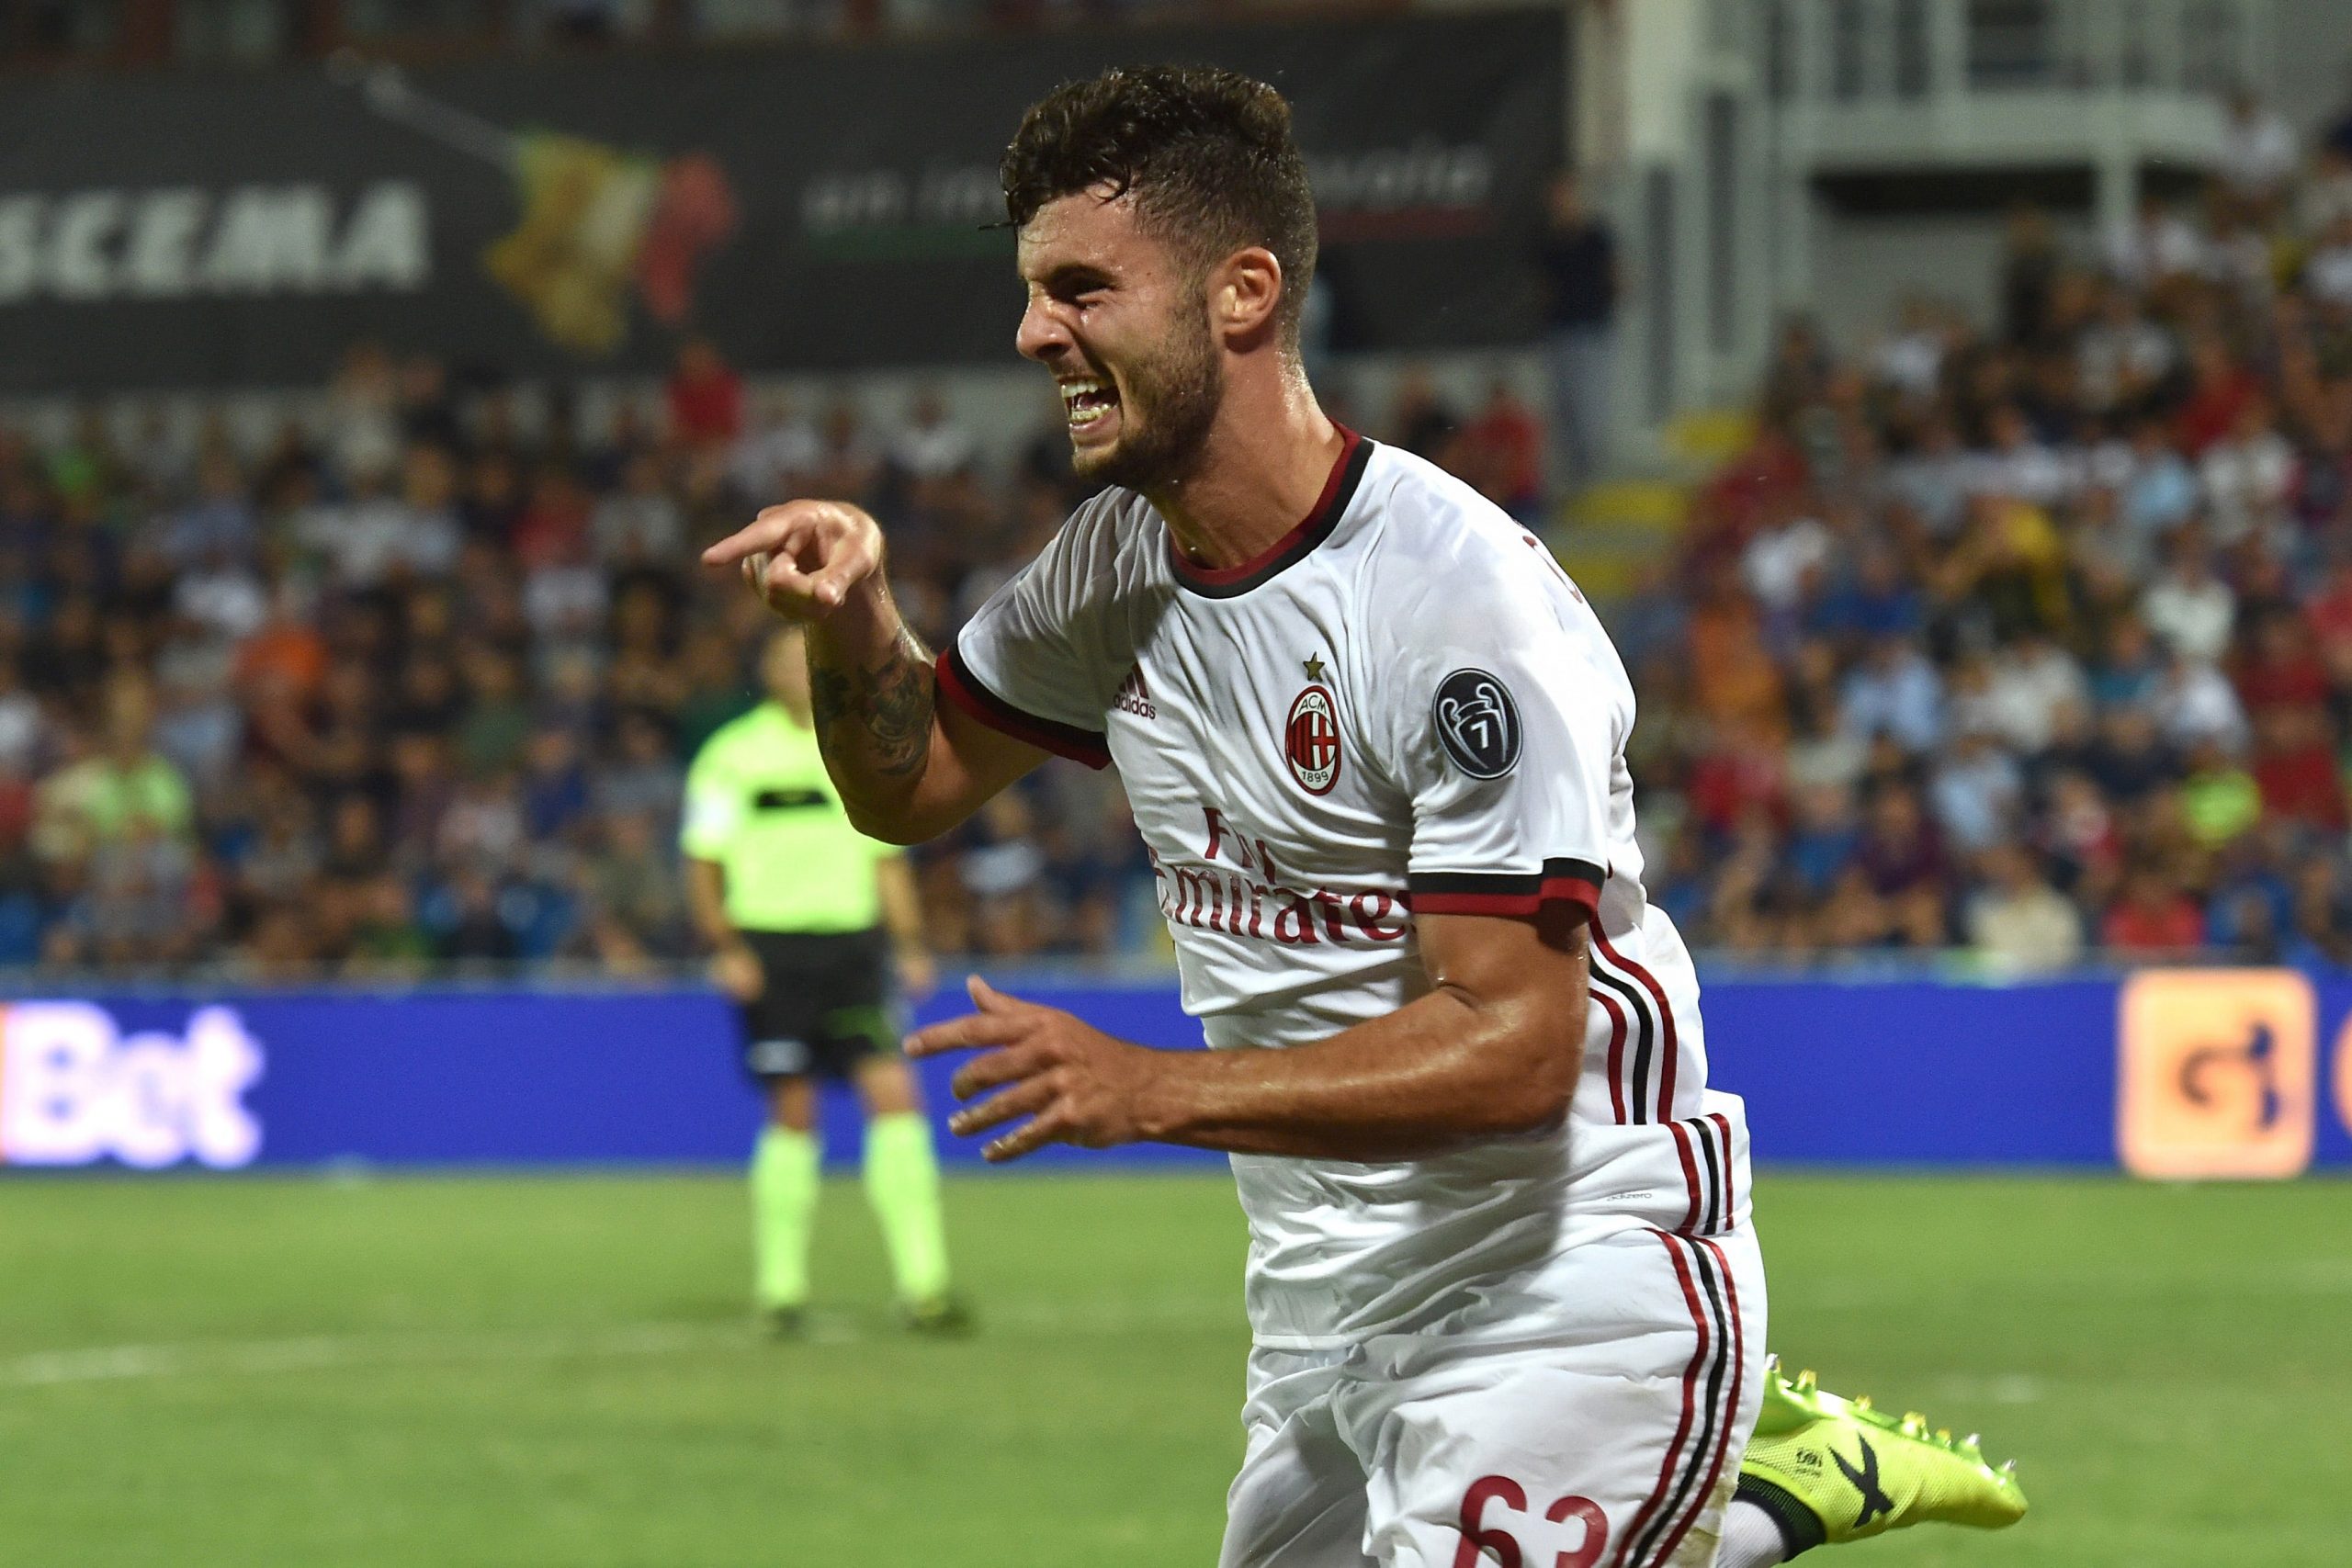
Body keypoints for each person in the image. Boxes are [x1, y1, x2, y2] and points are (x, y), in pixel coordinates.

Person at [707, 66, 2018, 1566]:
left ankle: (1727, 1457)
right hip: (1323, 1306)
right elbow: (908, 781)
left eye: (1080, 289)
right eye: (1030, 292)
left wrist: (1150, 1088)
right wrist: (854, 621)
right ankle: (1766, 1486)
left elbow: (1517, 1047)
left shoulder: (1458, 605)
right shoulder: (1113, 567)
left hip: (1562, 1277)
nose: (1032, 333)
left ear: (1243, 293)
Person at [681, 624, 962, 1336]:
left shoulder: (859, 745)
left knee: (894, 1095)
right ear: (765, 672)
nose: (793, 667)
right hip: (772, 950)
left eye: (803, 656)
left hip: (854, 949)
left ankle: (925, 1284)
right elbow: (704, 861)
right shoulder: (731, 756)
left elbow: (887, 853)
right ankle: (782, 1289)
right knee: (794, 1106)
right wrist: (726, 946)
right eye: (781, 657)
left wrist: (909, 940)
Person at [1534, 169, 1619, 495]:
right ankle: (1576, 473)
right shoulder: (1549, 240)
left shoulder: (1594, 236)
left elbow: (1616, 275)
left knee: (1589, 403)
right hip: (1560, 329)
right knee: (1565, 404)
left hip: (1590, 327)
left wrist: (1604, 303)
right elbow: (1542, 285)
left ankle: (1592, 472)